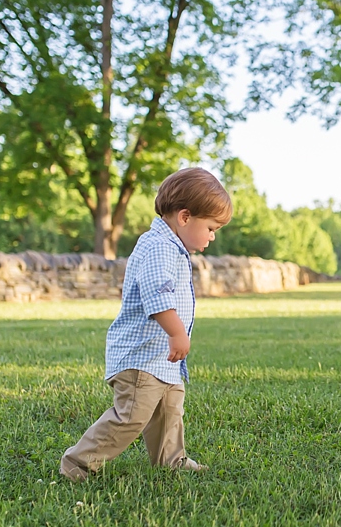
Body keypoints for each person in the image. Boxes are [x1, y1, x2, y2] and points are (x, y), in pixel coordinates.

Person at [59, 164, 231, 480]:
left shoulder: (173, 248)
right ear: (185, 217)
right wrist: (178, 333)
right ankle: (79, 462)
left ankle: (171, 459)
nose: (212, 237)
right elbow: (157, 295)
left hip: (160, 360)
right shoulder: (158, 247)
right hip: (141, 359)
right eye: (210, 228)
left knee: (169, 411)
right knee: (132, 416)